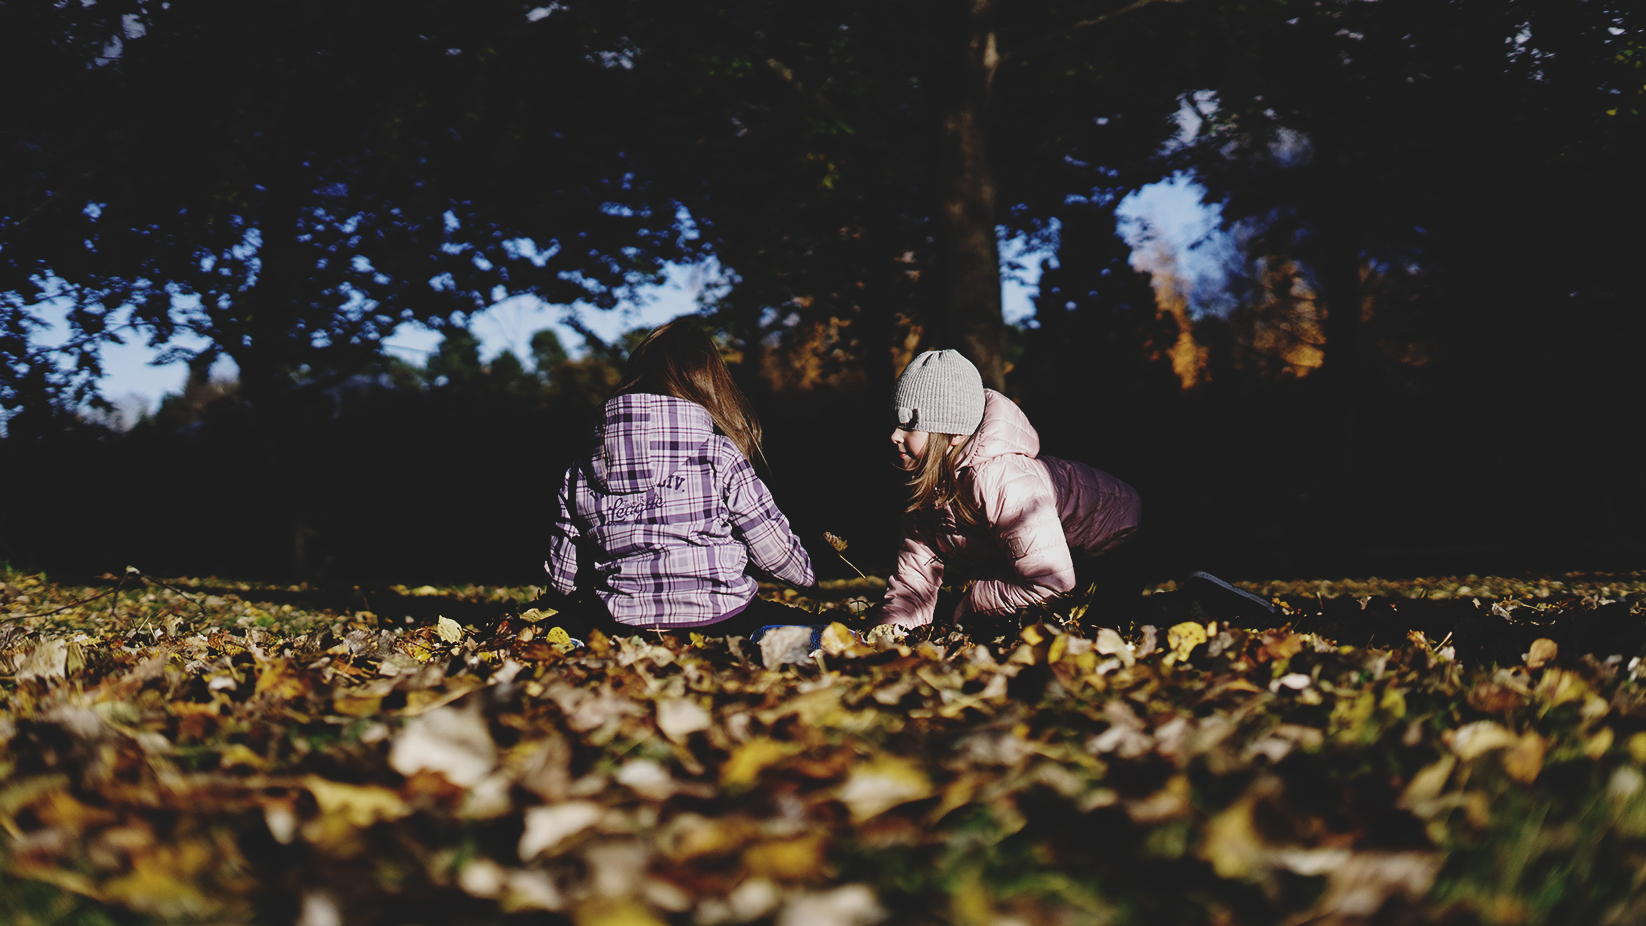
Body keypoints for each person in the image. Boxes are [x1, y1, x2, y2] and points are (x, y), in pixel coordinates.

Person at [874, 349, 1272, 630]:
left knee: (1102, 625)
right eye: (895, 422)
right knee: (1012, 617)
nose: (894, 435)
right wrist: (889, 632)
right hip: (1055, 558)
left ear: (955, 433)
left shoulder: (1001, 479)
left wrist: (973, 601)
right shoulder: (926, 494)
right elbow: (914, 584)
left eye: (909, 425)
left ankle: (1203, 602)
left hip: (1115, 537)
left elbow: (1052, 581)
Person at [545, 321, 815, 638]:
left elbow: (563, 576)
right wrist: (806, 576)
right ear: (710, 384)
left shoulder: (581, 469)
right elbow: (774, 552)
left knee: (561, 629)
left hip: (621, 625)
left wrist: (566, 601)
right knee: (825, 632)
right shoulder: (719, 454)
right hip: (722, 618)